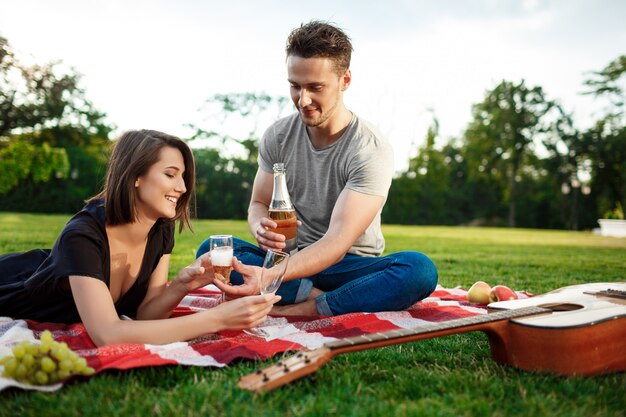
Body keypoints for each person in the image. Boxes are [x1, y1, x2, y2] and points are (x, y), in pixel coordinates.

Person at [197, 21, 438, 316]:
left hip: (346, 265)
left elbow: (336, 243)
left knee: (419, 270)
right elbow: (258, 203)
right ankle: (330, 299)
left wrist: (271, 275)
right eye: (295, 86)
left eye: (315, 87)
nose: (303, 100)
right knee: (212, 250)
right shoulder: (278, 135)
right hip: (290, 258)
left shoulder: (369, 148)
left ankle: (298, 307)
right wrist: (260, 227)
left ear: (344, 80)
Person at [0, 130, 279, 346]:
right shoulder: (82, 236)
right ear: (135, 176)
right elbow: (107, 335)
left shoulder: (160, 228)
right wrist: (216, 319)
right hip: (12, 282)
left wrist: (181, 284)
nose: (182, 187)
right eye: (170, 174)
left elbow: (145, 317)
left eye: (183, 176)